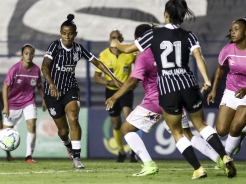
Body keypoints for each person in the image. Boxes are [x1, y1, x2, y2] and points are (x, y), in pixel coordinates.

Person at [109, 0, 236, 179]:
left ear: (165, 14)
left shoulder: (152, 37)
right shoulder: (189, 35)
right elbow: (198, 57)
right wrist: (206, 79)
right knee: (200, 127)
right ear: (182, 15)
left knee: (171, 132)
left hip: (166, 92)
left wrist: (116, 43)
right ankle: (223, 157)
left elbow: (128, 53)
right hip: (189, 85)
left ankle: (194, 168)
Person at [41, 14, 122, 169]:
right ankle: (68, 145)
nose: (67, 37)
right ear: (60, 33)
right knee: (63, 131)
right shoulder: (55, 46)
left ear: (75, 34)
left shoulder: (78, 49)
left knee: (73, 117)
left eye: (70, 34)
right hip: (53, 92)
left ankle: (77, 159)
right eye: (64, 34)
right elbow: (44, 66)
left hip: (70, 88)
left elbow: (98, 63)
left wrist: (114, 78)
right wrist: (51, 84)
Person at [0, 43, 46, 163]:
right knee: (5, 131)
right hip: (13, 103)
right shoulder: (15, 69)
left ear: (33, 55)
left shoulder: (36, 69)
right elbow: (5, 87)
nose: (29, 56)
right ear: (22, 55)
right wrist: (6, 106)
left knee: (32, 125)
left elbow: (39, 86)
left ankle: (28, 156)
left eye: (31, 54)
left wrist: (43, 99)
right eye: (26, 53)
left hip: (29, 101)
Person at [94, 29, 137, 162]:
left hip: (125, 91)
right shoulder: (103, 55)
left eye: (118, 38)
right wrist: (108, 81)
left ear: (121, 40)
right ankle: (121, 151)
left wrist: (134, 82)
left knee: (128, 118)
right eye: (113, 37)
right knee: (116, 124)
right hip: (111, 91)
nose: (115, 40)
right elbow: (96, 77)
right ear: (109, 40)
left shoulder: (129, 53)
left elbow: (139, 68)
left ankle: (133, 151)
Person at [207, 18, 246, 156]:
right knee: (221, 130)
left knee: (235, 127)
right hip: (231, 91)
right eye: (232, 30)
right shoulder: (228, 49)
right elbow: (220, 69)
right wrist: (213, 90)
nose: (233, 32)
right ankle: (240, 133)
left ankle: (226, 157)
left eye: (237, 29)